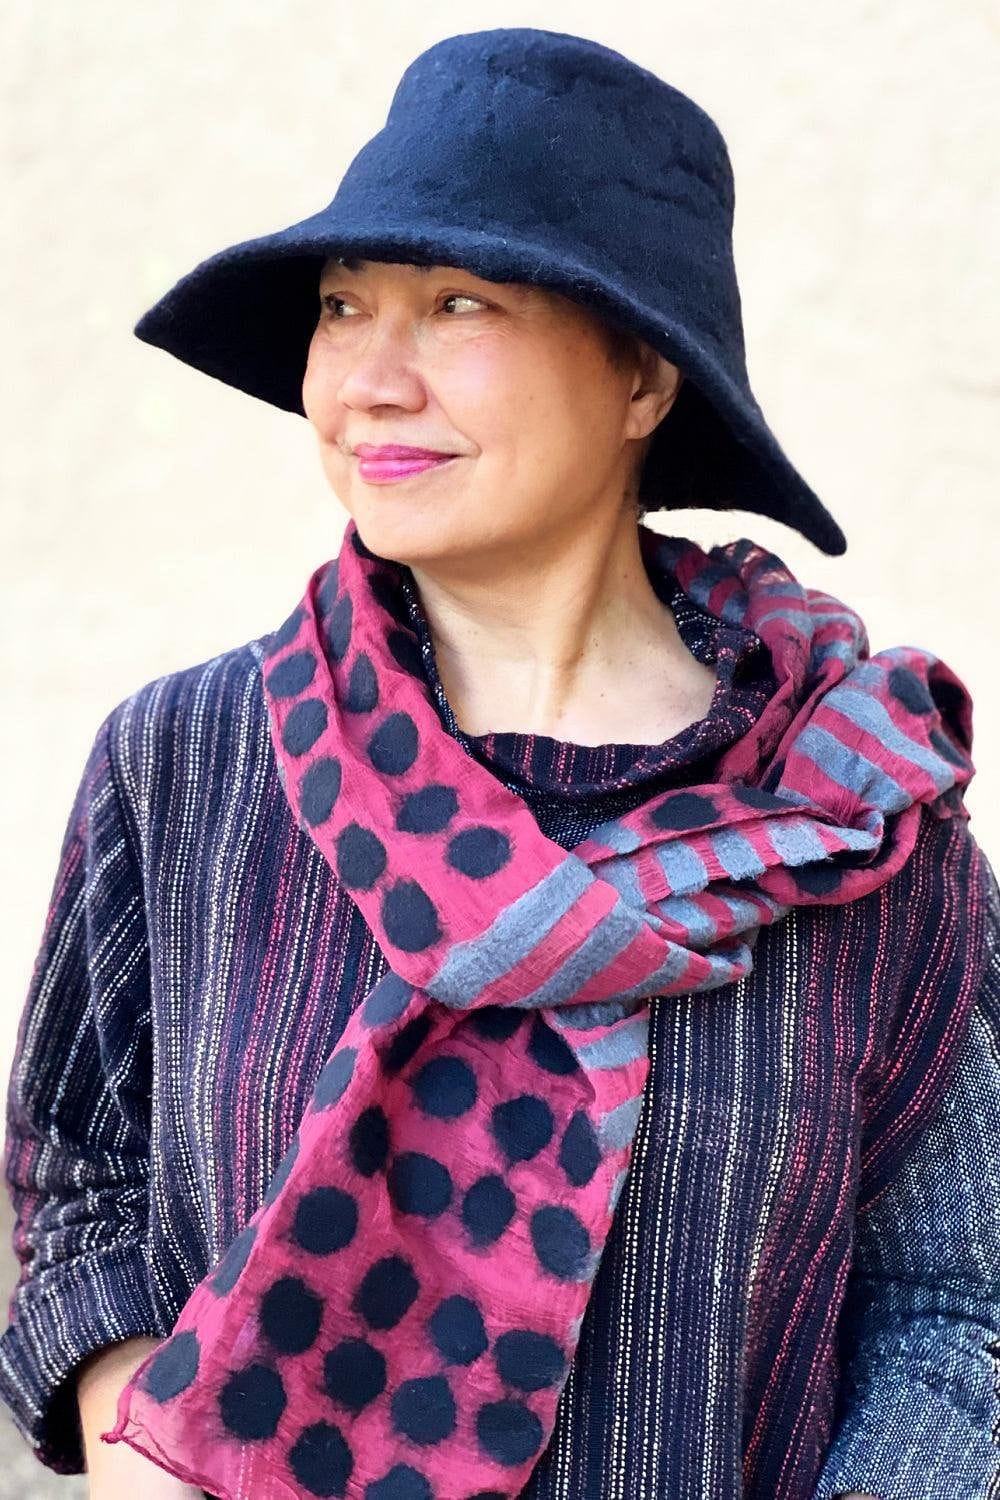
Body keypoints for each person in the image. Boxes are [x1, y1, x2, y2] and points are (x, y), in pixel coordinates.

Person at [1, 26, 997, 1500]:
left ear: (643, 377)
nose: (370, 383)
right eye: (346, 307)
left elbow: (960, 1309)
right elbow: (76, 1185)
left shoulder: (853, 814)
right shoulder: (192, 766)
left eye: (457, 302)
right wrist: (142, 1442)